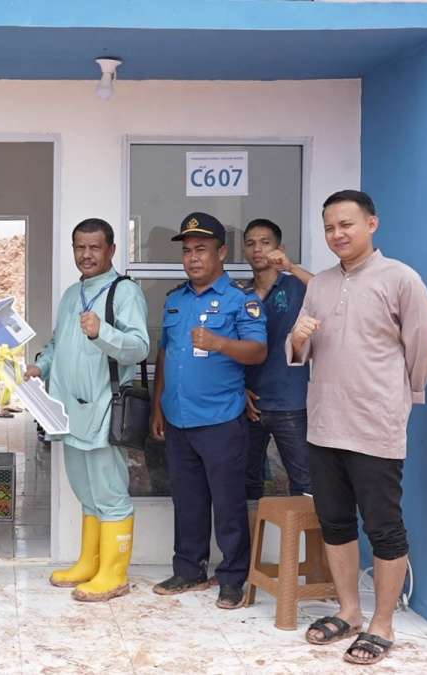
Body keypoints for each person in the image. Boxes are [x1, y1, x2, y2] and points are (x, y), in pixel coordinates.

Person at [291, 190, 427, 666]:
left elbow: (422, 345)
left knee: (384, 527)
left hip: (376, 424)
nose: (337, 234)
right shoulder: (320, 284)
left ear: (372, 224)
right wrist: (297, 339)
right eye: (329, 227)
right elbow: (301, 350)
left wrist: (406, 395)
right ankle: (349, 612)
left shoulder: (400, 279)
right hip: (324, 423)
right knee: (335, 523)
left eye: (346, 224)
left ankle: (383, 623)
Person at [25, 218, 149, 602]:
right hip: (68, 412)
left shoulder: (125, 292)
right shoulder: (71, 294)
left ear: (111, 250)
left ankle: (114, 574)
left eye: (95, 247)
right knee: (85, 490)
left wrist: (102, 332)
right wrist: (40, 366)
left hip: (103, 409)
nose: (86, 254)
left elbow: (139, 347)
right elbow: (58, 344)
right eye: (80, 247)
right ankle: (89, 564)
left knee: (110, 493)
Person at [148, 212, 267, 610]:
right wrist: (158, 405)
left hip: (221, 420)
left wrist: (220, 343)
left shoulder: (241, 301)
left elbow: (258, 351)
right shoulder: (175, 301)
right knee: (187, 501)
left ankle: (233, 578)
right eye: (187, 251)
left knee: (228, 504)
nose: (193, 258)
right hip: (178, 418)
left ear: (221, 252)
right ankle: (189, 569)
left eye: (201, 249)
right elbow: (165, 354)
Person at [241, 218, 313, 499]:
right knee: (246, 485)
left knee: (305, 485)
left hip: (290, 403)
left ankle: (304, 532)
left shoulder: (296, 286)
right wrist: (238, 389)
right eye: (250, 243)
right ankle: (253, 531)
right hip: (250, 405)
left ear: (279, 248)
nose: (257, 249)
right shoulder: (240, 295)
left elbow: (328, 291)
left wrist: (291, 266)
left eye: (265, 243)